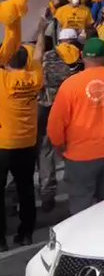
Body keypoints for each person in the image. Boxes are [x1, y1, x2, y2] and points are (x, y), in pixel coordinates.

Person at [46, 38, 104, 215]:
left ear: (83, 56)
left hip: (79, 156)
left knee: (80, 206)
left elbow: (55, 124)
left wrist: (59, 147)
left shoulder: (70, 85)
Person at [0, 26, 47, 249]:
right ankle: (26, 233)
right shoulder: (35, 78)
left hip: (3, 144)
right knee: (26, 189)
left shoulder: (3, 81)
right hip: (27, 143)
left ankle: (1, 240)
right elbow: (38, 54)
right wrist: (40, 32)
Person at [37, 26, 84, 211]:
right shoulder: (78, 56)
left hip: (48, 108)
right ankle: (77, 189)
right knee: (72, 149)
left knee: (46, 151)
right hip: (70, 108)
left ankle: (47, 192)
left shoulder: (47, 58)